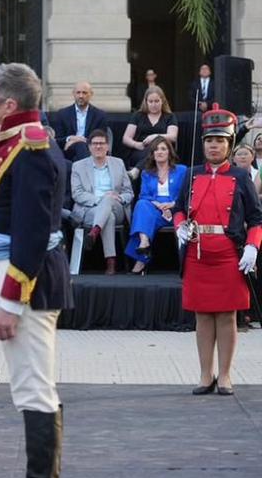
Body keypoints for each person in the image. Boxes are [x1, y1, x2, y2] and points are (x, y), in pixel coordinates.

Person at [0, 62, 71, 478]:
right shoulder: (16, 141)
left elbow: (32, 234)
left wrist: (10, 303)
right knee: (31, 387)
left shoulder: (30, 148)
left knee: (35, 389)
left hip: (28, 284)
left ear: (9, 104)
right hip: (21, 276)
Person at [174, 104, 262, 397]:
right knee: (202, 316)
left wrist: (253, 246)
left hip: (228, 254)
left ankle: (224, 375)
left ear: (230, 144)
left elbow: (256, 219)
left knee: (226, 316)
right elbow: (179, 209)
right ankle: (205, 374)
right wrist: (179, 225)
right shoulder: (192, 173)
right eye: (209, 141)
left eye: (220, 141)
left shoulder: (240, 177)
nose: (214, 146)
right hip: (197, 253)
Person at [70, 129, 133, 275]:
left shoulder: (118, 163)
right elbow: (77, 194)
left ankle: (94, 232)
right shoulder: (78, 166)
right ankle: (111, 262)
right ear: (89, 147)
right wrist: (101, 199)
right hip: (89, 209)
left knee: (109, 200)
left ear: (108, 146)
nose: (98, 146)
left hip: (116, 207)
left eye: (102, 143)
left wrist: (119, 198)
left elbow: (129, 192)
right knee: (108, 216)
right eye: (95, 143)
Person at [125, 137, 186, 275]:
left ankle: (141, 258)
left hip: (175, 210)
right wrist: (159, 205)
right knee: (141, 205)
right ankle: (144, 242)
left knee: (143, 219)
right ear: (152, 154)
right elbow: (144, 195)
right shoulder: (147, 173)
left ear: (169, 152)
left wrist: (172, 205)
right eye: (156, 150)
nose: (159, 152)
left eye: (163, 149)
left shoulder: (182, 170)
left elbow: (186, 194)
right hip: (155, 210)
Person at [51, 81, 109, 162]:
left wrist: (78, 140)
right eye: (78, 93)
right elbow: (57, 139)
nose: (81, 96)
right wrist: (69, 139)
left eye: (84, 93)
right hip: (68, 151)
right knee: (80, 146)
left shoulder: (99, 115)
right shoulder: (62, 114)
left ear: (91, 94)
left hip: (90, 150)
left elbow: (101, 139)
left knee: (80, 146)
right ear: (73, 94)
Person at [122, 86, 178, 169]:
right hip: (140, 150)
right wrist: (137, 145)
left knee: (155, 149)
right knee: (149, 152)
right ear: (146, 102)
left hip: (162, 150)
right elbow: (126, 138)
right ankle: (138, 169)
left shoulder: (170, 117)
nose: (153, 105)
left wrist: (155, 137)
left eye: (156, 101)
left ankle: (137, 169)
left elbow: (173, 136)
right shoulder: (138, 116)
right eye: (150, 101)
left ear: (162, 101)